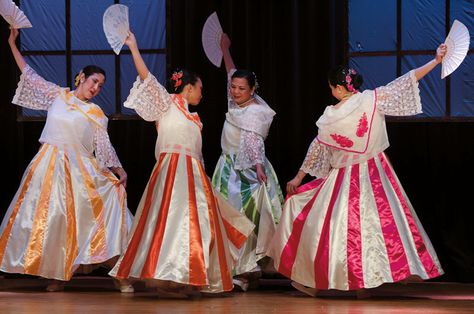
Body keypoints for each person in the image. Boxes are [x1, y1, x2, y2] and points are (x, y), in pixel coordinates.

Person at [267, 43, 447, 298]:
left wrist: (298, 177)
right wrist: (435, 61)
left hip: (346, 178)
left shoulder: (332, 114)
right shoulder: (370, 99)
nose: (331, 91)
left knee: (331, 230)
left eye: (331, 87)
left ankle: (331, 281)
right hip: (374, 175)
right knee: (374, 229)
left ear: (339, 88)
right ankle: (359, 284)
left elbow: (317, 147)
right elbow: (406, 81)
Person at [109, 32, 254, 298]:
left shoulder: (195, 119)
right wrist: (133, 47)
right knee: (167, 221)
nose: (201, 92)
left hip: (194, 175)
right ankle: (165, 275)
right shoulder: (166, 104)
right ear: (188, 88)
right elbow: (147, 79)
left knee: (197, 224)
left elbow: (197, 153)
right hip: (171, 171)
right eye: (199, 87)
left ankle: (187, 276)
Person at [0, 29, 133, 292]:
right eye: (93, 81)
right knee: (51, 219)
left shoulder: (95, 112)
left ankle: (121, 272)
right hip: (49, 165)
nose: (96, 88)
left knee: (97, 213)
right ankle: (56, 275)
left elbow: (103, 146)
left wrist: (119, 169)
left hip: (80, 168)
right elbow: (29, 74)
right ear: (81, 78)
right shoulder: (58, 96)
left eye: (100, 85)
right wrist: (11, 44)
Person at [211, 33, 284, 291]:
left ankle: (247, 268)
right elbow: (230, 71)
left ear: (253, 90)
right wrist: (224, 49)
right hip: (226, 167)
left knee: (247, 217)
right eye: (234, 87)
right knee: (227, 218)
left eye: (242, 89)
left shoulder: (257, 112)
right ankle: (236, 268)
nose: (236, 92)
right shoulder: (234, 102)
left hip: (248, 170)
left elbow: (254, 143)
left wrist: (258, 167)